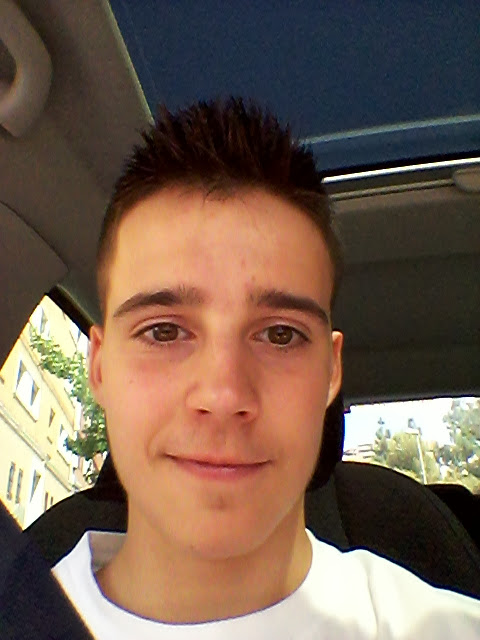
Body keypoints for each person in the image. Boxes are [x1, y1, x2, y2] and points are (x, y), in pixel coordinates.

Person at [52, 98, 480, 638]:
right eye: (163, 332)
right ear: (99, 367)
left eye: (281, 335)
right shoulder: (23, 613)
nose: (224, 394)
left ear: (331, 371)